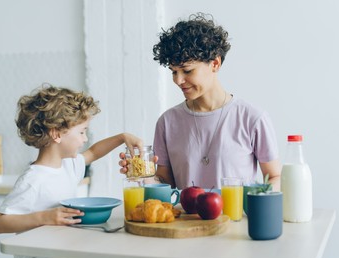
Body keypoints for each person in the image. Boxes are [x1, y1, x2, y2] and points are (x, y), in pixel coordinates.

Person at [120, 13, 281, 190]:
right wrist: (143, 175)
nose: (178, 80)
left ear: (215, 64)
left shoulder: (252, 118)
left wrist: (252, 203)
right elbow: (166, 183)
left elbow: (274, 177)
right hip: (185, 218)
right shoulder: (167, 122)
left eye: (186, 71)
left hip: (235, 218)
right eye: (173, 72)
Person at [0, 84, 143, 235]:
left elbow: (94, 153)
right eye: (82, 132)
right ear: (56, 134)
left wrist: (122, 138)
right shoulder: (33, 180)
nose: (85, 139)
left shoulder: (69, 165)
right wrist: (44, 217)